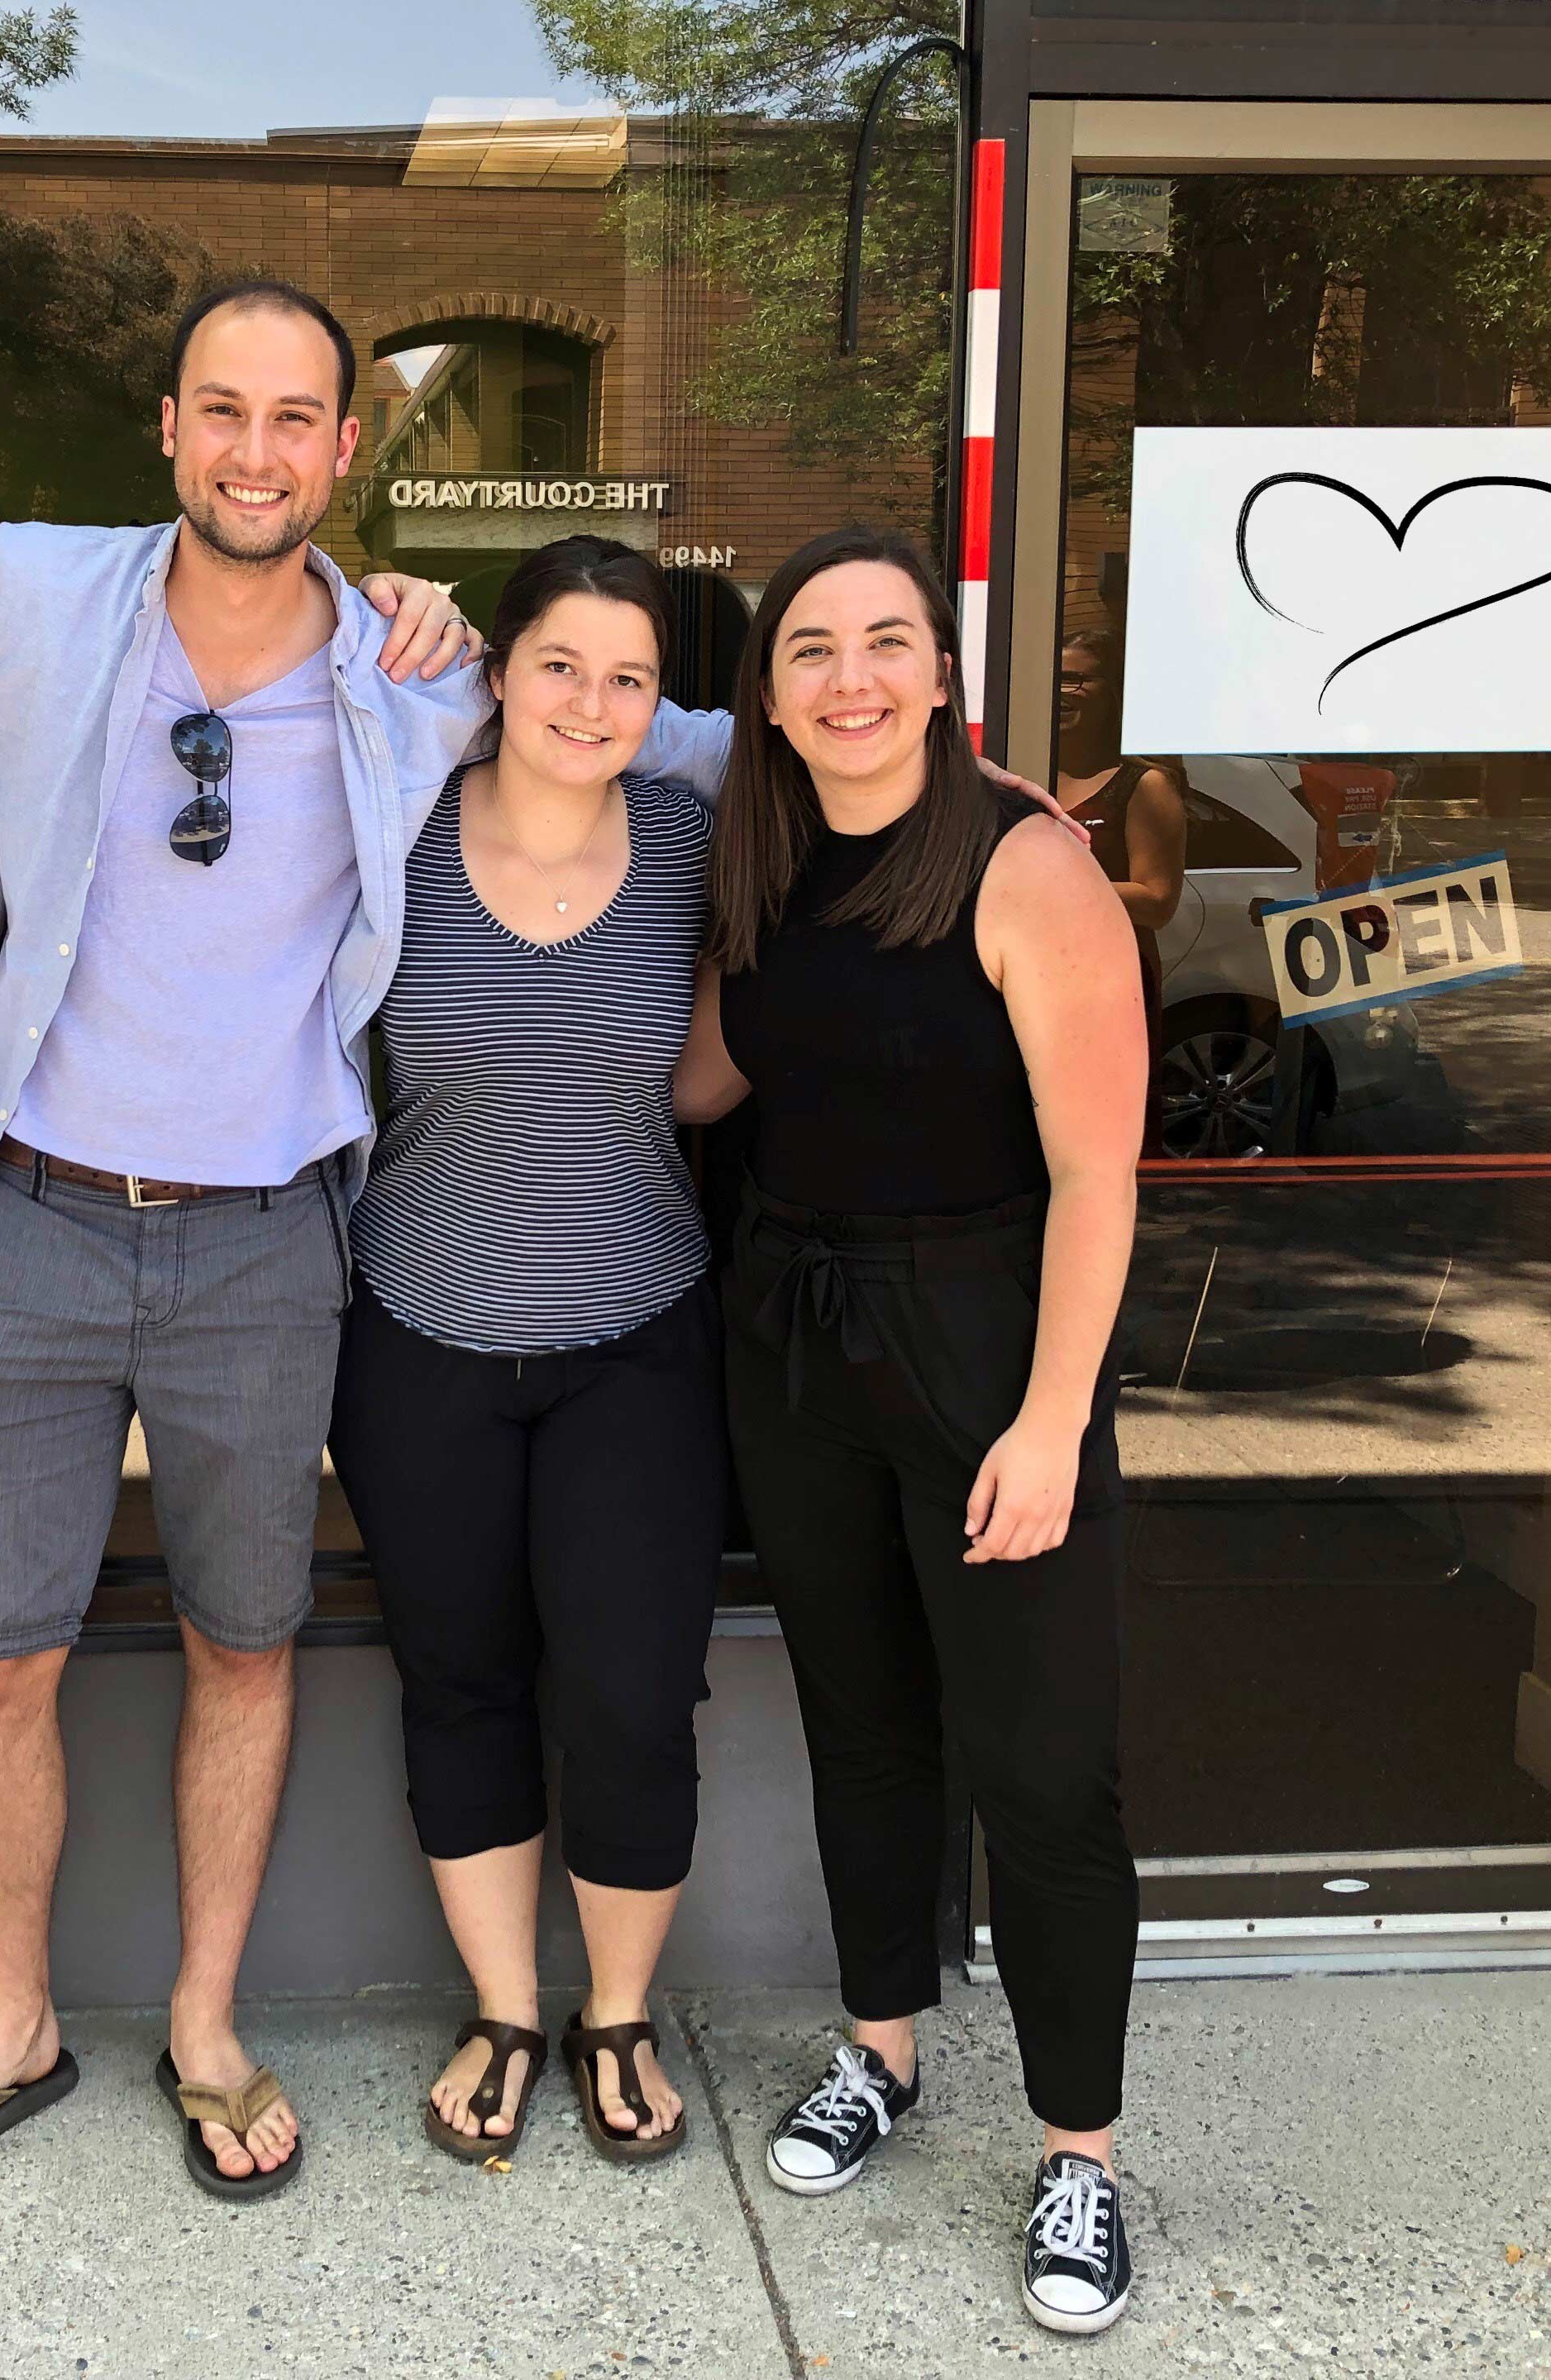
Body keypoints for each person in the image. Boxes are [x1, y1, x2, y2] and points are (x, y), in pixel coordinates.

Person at [0, 278, 721, 2202]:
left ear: (349, 452)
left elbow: (658, 735)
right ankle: (10, 2023)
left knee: (247, 1649)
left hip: (269, 1243)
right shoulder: (28, 596)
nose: (258, 449)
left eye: (298, 418)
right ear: (168, 430)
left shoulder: (414, 669)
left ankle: (204, 2021)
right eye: (222, 410)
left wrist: (952, 782)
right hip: (30, 1229)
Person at [675, 528, 1148, 2339]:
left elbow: (1103, 1177)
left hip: (985, 1350)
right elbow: (713, 1075)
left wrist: (1050, 1423)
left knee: (1039, 1773)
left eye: (887, 644)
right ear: (771, 691)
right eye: (812, 648)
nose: (850, 677)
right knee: (867, 1731)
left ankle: (1082, 2156)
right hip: (796, 1343)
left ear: (941, 677)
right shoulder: (762, 858)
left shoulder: (1028, 868)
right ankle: (884, 2049)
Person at [323, 535, 725, 2169]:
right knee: (464, 1680)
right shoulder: (394, 835)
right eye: (562, 663)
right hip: (418, 1333)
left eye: (629, 677)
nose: (592, 700)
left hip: (638, 1337)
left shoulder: (700, 839)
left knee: (632, 1693)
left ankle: (614, 2012)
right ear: (500, 669)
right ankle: (503, 2007)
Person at [1052, 628, 1182, 1146]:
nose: (1060, 691)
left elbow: (1157, 901)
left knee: (1100, 1142)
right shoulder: (1026, 767)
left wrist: (1054, 884)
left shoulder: (1144, 784)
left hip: (1109, 988)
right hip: (1036, 979)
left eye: (1076, 679)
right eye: (1053, 678)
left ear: (1114, 692)